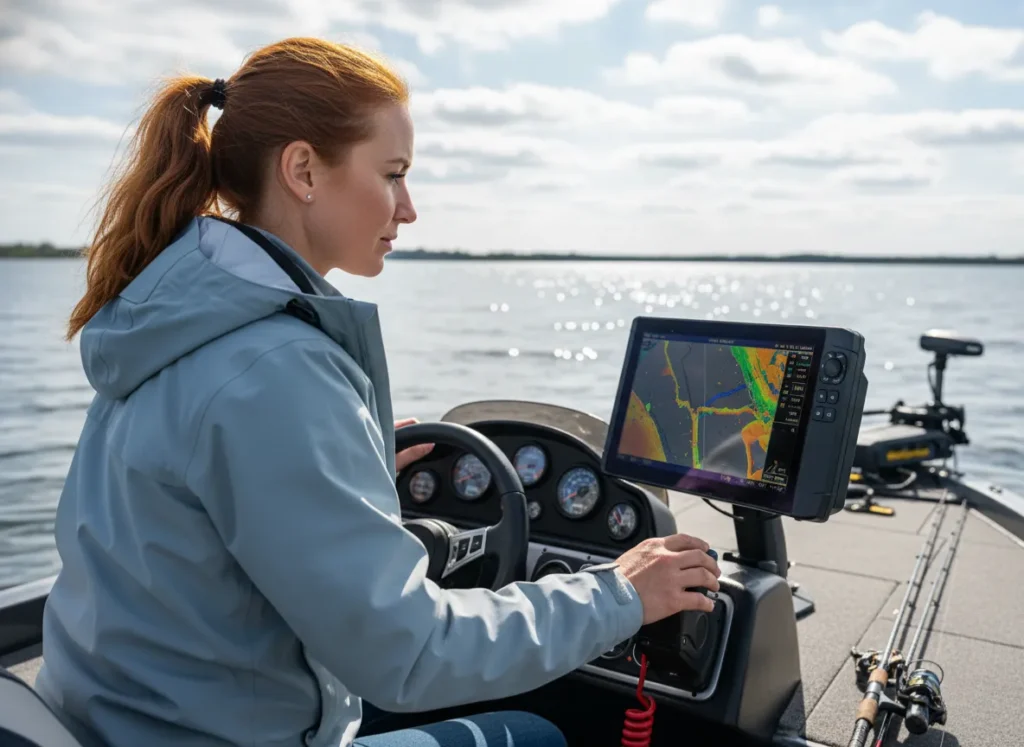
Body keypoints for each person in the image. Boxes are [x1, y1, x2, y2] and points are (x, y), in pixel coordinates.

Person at [34, 37, 722, 747]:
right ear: (303, 170)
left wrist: (343, 477)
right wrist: (619, 593)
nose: (409, 208)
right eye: (392, 174)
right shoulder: (277, 370)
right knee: (536, 734)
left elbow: (196, 498)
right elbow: (411, 652)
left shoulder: (168, 318)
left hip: (113, 719)